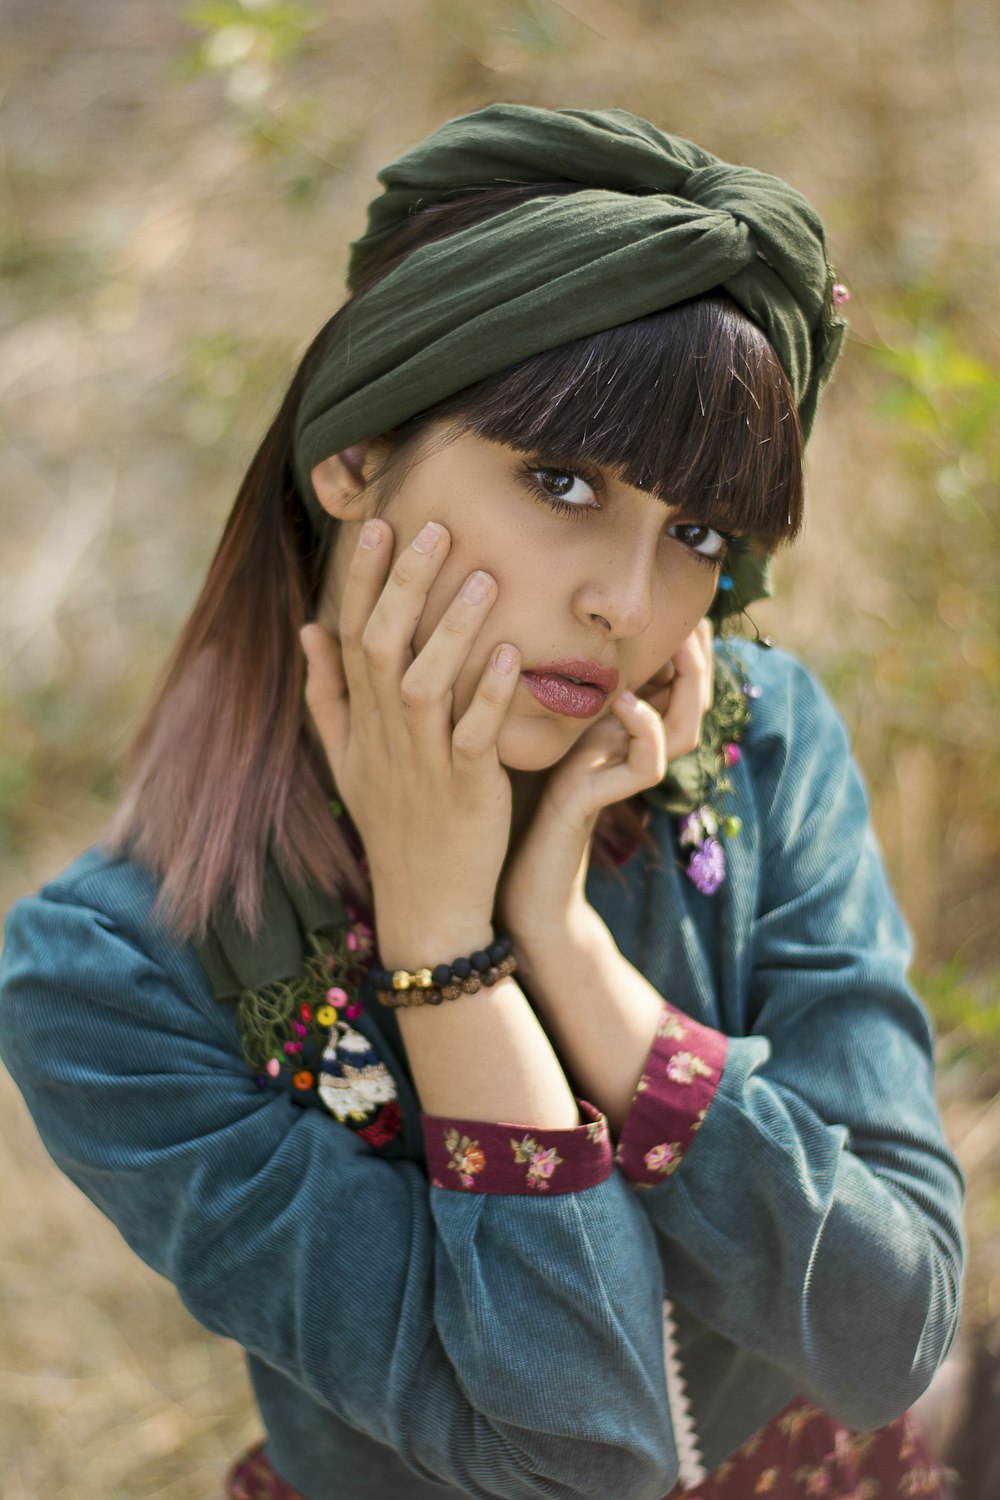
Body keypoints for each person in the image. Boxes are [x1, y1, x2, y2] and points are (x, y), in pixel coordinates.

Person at [0, 104, 964, 1500]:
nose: (624, 603)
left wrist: (567, 952)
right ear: (351, 459)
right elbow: (589, 1461)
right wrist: (447, 955)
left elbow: (890, 1333)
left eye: (693, 532)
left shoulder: (758, 757)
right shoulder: (113, 976)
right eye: (559, 481)